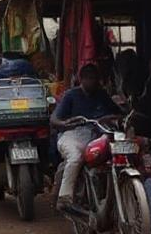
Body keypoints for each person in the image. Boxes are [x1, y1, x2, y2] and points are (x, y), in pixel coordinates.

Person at [51, 63, 122, 210]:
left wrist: (110, 117)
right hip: (73, 135)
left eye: (95, 78)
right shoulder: (71, 95)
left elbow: (118, 112)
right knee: (75, 158)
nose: (92, 81)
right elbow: (54, 119)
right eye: (89, 78)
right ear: (81, 79)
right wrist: (66, 123)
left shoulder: (102, 94)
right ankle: (65, 198)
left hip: (97, 134)